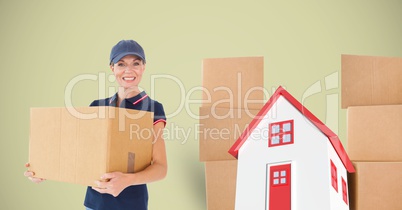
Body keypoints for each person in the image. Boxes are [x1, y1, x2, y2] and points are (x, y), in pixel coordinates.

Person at [24, 39, 168, 210]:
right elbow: (77, 152)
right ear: (112, 68)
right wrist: (44, 169)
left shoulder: (152, 109)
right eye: (121, 64)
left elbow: (161, 168)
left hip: (132, 204)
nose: (128, 70)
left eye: (135, 63)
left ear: (143, 67)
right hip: (94, 204)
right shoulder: (97, 106)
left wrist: (127, 180)